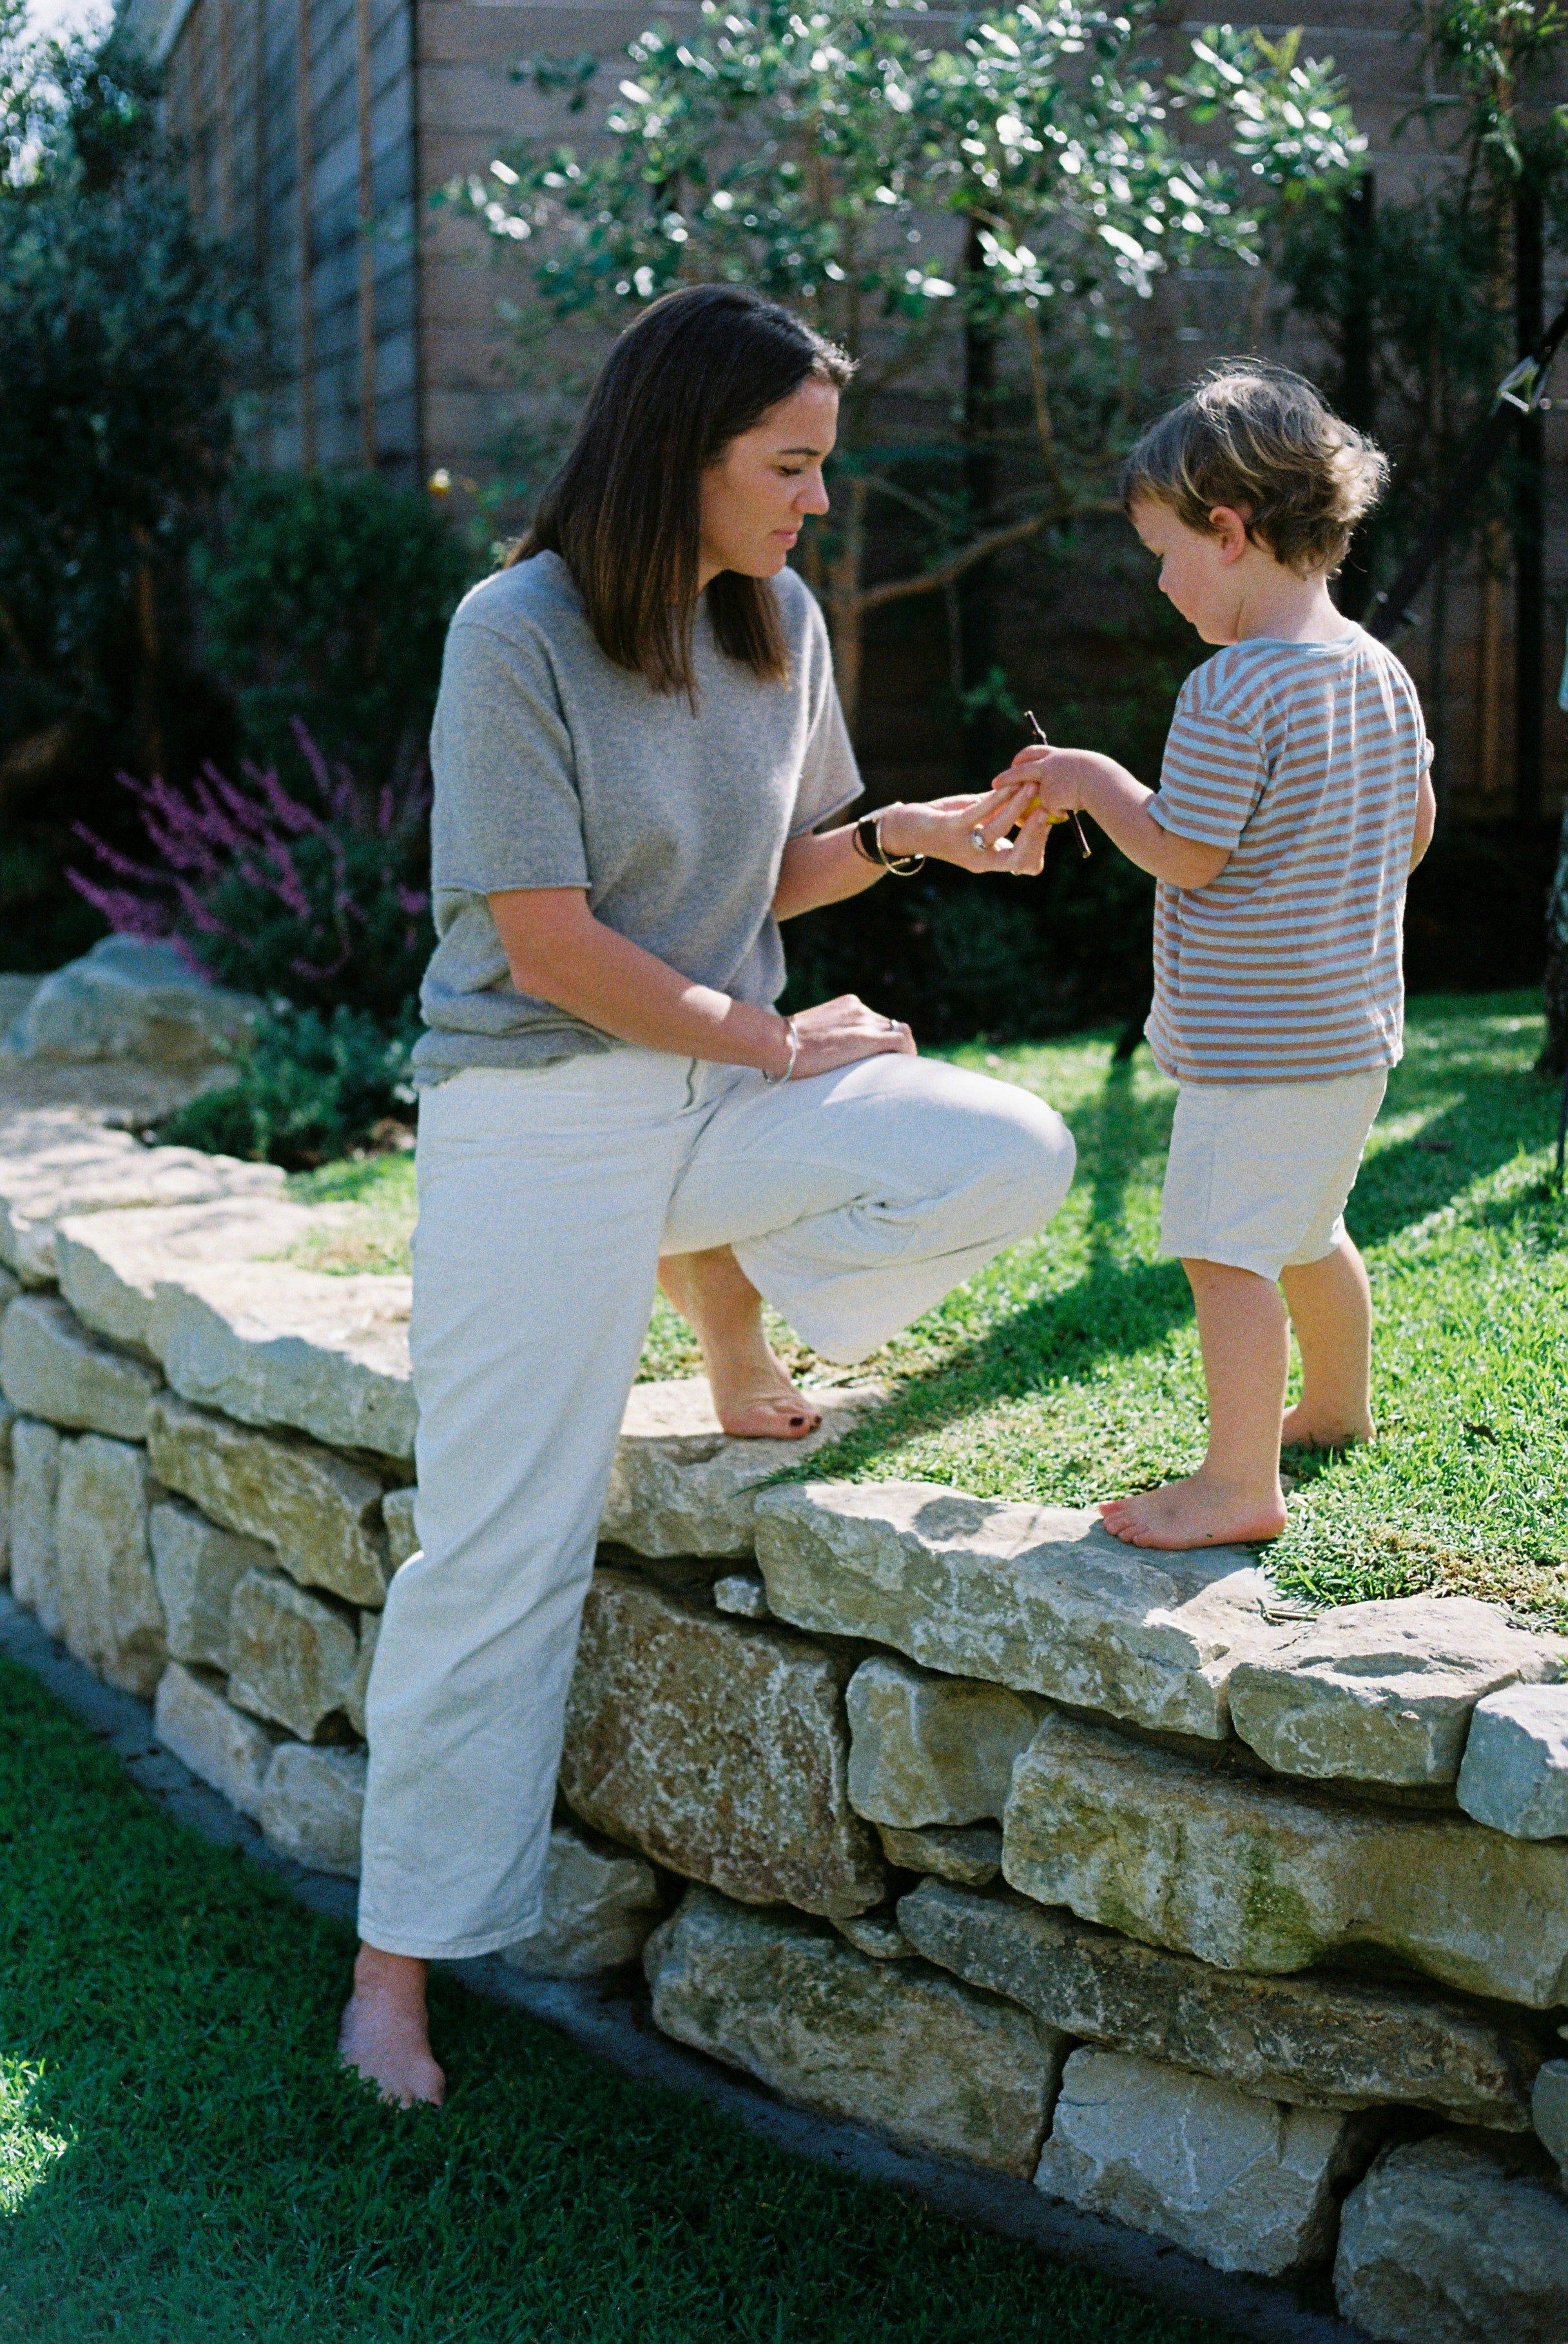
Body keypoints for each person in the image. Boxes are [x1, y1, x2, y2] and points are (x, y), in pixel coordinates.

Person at [340, 284, 1078, 2105]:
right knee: (498, 1546)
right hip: (537, 1105)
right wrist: (766, 1041)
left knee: (1006, 1148)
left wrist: (909, 833)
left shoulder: (781, 621)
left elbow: (785, 858)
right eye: (793, 465)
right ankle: (392, 1973)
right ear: (682, 451)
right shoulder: (510, 632)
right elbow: (550, 942)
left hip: (710, 1080)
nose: (817, 500)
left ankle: (700, 1266)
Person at [993, 362, 1437, 1553]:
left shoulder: (1231, 685)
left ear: (1227, 532)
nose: (1158, 579)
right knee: (1304, 1226)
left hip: (1255, 1047)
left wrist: (1093, 781)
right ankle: (1336, 1405)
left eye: (1161, 551)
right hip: (1350, 1036)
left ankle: (1237, 1481)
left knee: (1224, 1250)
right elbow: (1413, 832)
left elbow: (1184, 853)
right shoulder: (1379, 675)